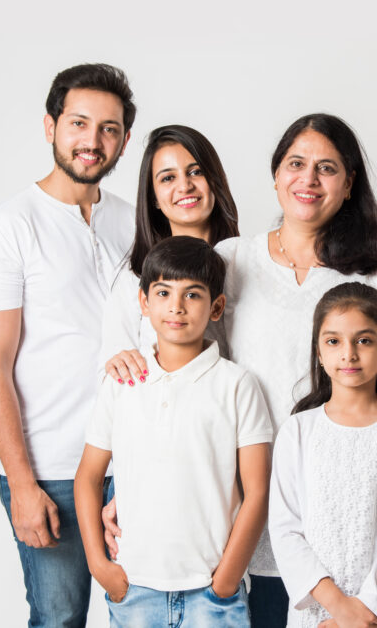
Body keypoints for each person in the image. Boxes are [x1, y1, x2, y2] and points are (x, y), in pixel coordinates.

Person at [105, 113, 377, 626]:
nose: (308, 179)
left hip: (350, 511)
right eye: (295, 164)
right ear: (275, 174)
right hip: (248, 515)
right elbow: (186, 374)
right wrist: (130, 488)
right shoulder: (233, 260)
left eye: (327, 168)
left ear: (349, 185)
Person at [0, 63, 136, 628]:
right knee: (59, 618)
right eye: (79, 123)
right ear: (50, 126)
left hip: (134, 460)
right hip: (52, 470)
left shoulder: (136, 223)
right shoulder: (5, 229)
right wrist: (21, 484)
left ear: (125, 140)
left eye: (109, 128)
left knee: (141, 613)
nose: (92, 141)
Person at [75, 236, 273, 627]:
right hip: (134, 590)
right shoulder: (122, 382)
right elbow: (88, 475)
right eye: (163, 292)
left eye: (193, 295)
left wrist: (226, 580)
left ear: (216, 307)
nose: (176, 307)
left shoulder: (236, 385)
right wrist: (100, 565)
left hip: (213, 594)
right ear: (144, 302)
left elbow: (258, 491)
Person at [270, 282, 377, 628]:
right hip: (316, 616)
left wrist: (364, 615)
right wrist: (340, 611)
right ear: (319, 351)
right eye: (334, 341)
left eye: (364, 340)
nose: (349, 354)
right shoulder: (297, 431)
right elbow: (285, 531)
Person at [100, 124, 239, 383]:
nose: (184, 186)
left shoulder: (247, 265)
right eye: (167, 178)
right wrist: (119, 364)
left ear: (214, 180)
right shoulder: (133, 279)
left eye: (195, 172)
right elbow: (110, 374)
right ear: (153, 197)